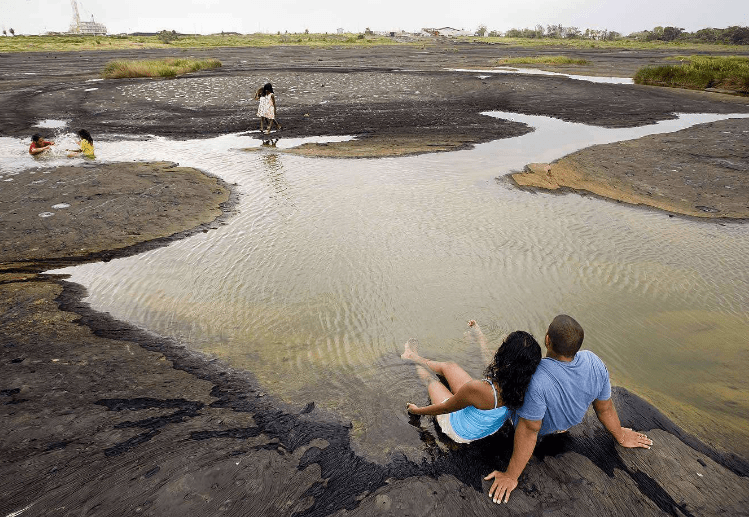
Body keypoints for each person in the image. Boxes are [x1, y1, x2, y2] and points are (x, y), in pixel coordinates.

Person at [484, 314, 653, 505]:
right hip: (565, 424)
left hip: (533, 427)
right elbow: (604, 408)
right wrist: (620, 435)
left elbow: (530, 430)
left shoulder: (537, 377)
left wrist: (511, 476)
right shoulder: (593, 361)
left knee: (497, 372)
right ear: (578, 345)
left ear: (547, 340)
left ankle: (473, 342)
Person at [402, 321, 542, 444]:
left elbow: (445, 408)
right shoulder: (522, 383)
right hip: (485, 425)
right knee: (449, 366)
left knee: (432, 381)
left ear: (506, 357)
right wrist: (478, 334)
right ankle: (413, 356)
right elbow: (487, 356)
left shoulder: (480, 389)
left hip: (459, 429)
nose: (499, 347)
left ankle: (413, 361)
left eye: (503, 345)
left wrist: (416, 410)